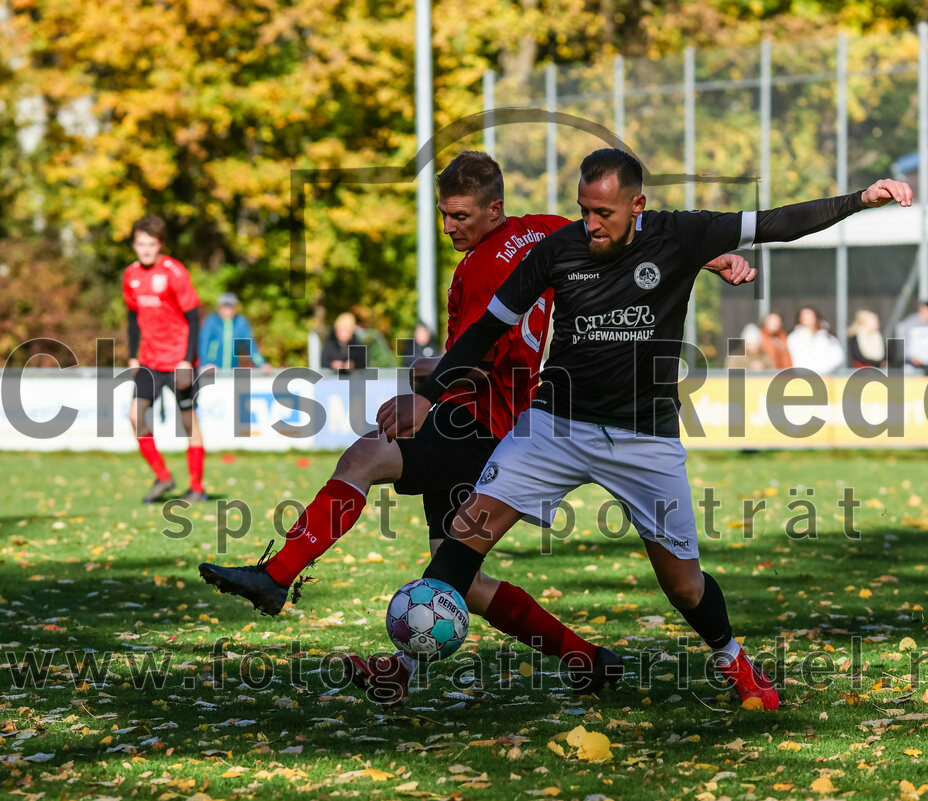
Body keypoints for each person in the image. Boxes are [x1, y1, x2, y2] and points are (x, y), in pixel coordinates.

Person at [198, 150, 754, 706]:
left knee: (366, 457)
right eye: (444, 214)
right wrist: (703, 258)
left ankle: (278, 575)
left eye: (461, 216)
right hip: (499, 415)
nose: (449, 227)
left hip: (482, 418)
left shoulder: (487, 265)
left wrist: (426, 383)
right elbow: (618, 237)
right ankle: (585, 660)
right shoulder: (537, 232)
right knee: (458, 574)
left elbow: (480, 349)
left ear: (495, 210)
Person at [378, 148, 914, 712]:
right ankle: (405, 668)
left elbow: (775, 222)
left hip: (645, 439)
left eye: (604, 212)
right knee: (466, 534)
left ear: (637, 205)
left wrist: (861, 200)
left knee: (684, 586)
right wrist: (428, 396)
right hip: (555, 425)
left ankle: (734, 660)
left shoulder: (679, 236)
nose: (591, 224)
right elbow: (487, 328)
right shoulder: (559, 250)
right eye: (583, 209)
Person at [122, 215, 207, 503]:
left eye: (151, 244)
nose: (145, 250)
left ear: (161, 245)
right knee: (135, 416)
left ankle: (197, 486)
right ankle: (163, 476)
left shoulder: (175, 272)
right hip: (149, 361)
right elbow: (133, 318)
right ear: (134, 244)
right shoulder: (131, 275)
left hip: (178, 360)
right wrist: (133, 356)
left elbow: (193, 318)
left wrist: (186, 360)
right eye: (140, 244)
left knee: (188, 422)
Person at [199, 292, 272, 373]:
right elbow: (203, 344)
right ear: (219, 307)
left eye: (230, 306)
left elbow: (251, 347)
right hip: (212, 370)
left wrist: (262, 363)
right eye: (225, 306)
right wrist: (205, 364)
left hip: (232, 372)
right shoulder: (211, 321)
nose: (228, 310)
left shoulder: (240, 323)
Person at [787, 306, 845, 374]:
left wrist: (823, 369)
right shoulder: (794, 337)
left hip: (824, 377)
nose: (807, 318)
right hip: (800, 378)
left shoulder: (827, 336)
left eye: (810, 315)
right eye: (804, 316)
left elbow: (838, 357)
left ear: (816, 317)